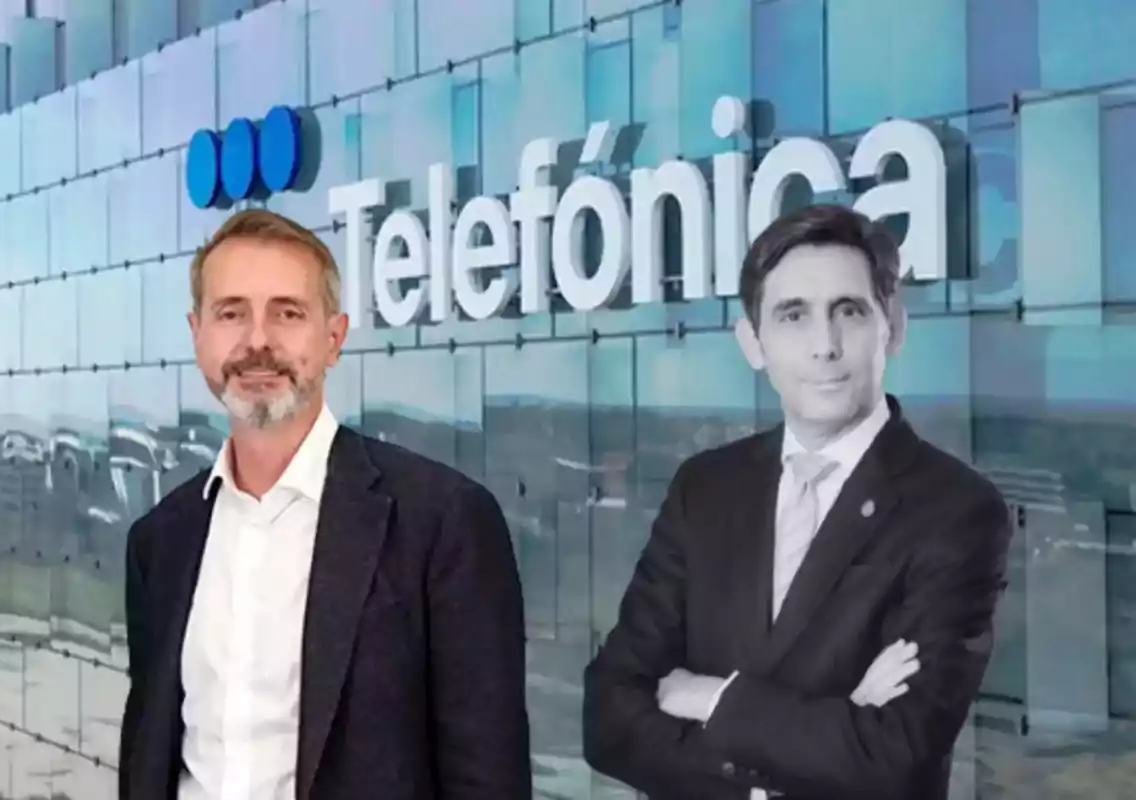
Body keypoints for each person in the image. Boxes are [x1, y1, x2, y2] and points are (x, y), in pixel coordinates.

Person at [582, 204, 1012, 800]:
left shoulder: (956, 510)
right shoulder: (705, 489)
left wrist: (705, 697)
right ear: (753, 343)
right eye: (793, 316)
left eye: (850, 311)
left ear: (894, 325)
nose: (824, 346)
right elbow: (608, 715)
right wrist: (805, 746)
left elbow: (892, 753)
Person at [118, 209, 532, 800]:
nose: (258, 340)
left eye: (288, 313)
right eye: (231, 313)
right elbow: (148, 751)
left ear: (333, 338)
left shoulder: (442, 523)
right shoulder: (160, 541)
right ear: (198, 334)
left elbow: (487, 779)